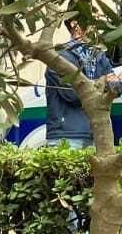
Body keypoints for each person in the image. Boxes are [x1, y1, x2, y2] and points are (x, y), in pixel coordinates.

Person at [45, 17, 122, 148]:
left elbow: (117, 88)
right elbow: (74, 95)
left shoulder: (98, 55)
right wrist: (104, 82)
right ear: (75, 24)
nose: (97, 27)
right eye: (93, 21)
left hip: (95, 133)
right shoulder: (59, 58)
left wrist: (112, 84)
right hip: (66, 136)